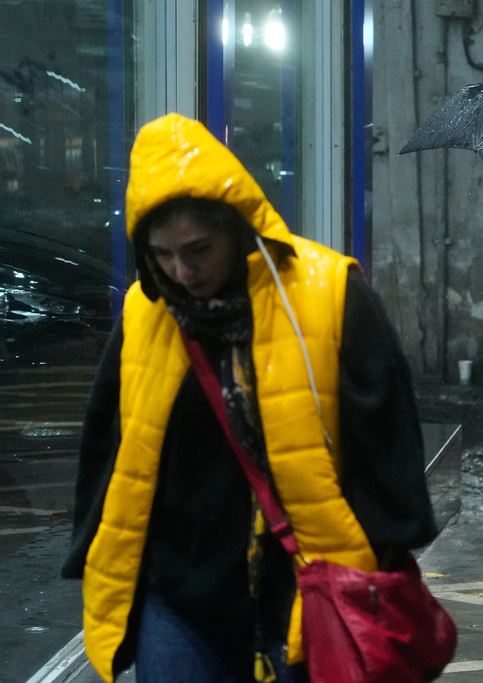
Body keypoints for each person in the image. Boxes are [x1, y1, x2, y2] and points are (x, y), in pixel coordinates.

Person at [61, 113, 437, 683]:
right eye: (161, 254)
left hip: (301, 592)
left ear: (237, 226)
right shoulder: (145, 313)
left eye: (198, 249)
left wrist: (381, 553)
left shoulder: (329, 293)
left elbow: (386, 437)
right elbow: (111, 445)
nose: (182, 271)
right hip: (179, 600)